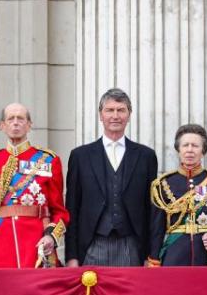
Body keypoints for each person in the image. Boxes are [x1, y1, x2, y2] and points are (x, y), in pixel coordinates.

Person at [64, 88, 159, 267]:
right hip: (92, 244)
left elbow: (151, 210)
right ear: (101, 115)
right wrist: (72, 256)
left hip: (131, 245)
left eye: (121, 110)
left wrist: (150, 255)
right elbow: (72, 208)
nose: (115, 115)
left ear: (129, 115)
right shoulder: (80, 156)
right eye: (110, 110)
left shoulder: (146, 156)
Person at [149, 124, 207, 266]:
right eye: (185, 145)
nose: (190, 150)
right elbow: (157, 230)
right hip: (175, 258)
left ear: (203, 151)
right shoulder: (163, 184)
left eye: (195, 146)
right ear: (178, 150)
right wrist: (154, 261)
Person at [0, 103, 69, 268]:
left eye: (20, 118)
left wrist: (51, 237)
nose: (15, 122)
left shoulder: (49, 160)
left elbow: (59, 212)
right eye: (10, 118)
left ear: (29, 125)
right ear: (2, 126)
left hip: (35, 245)